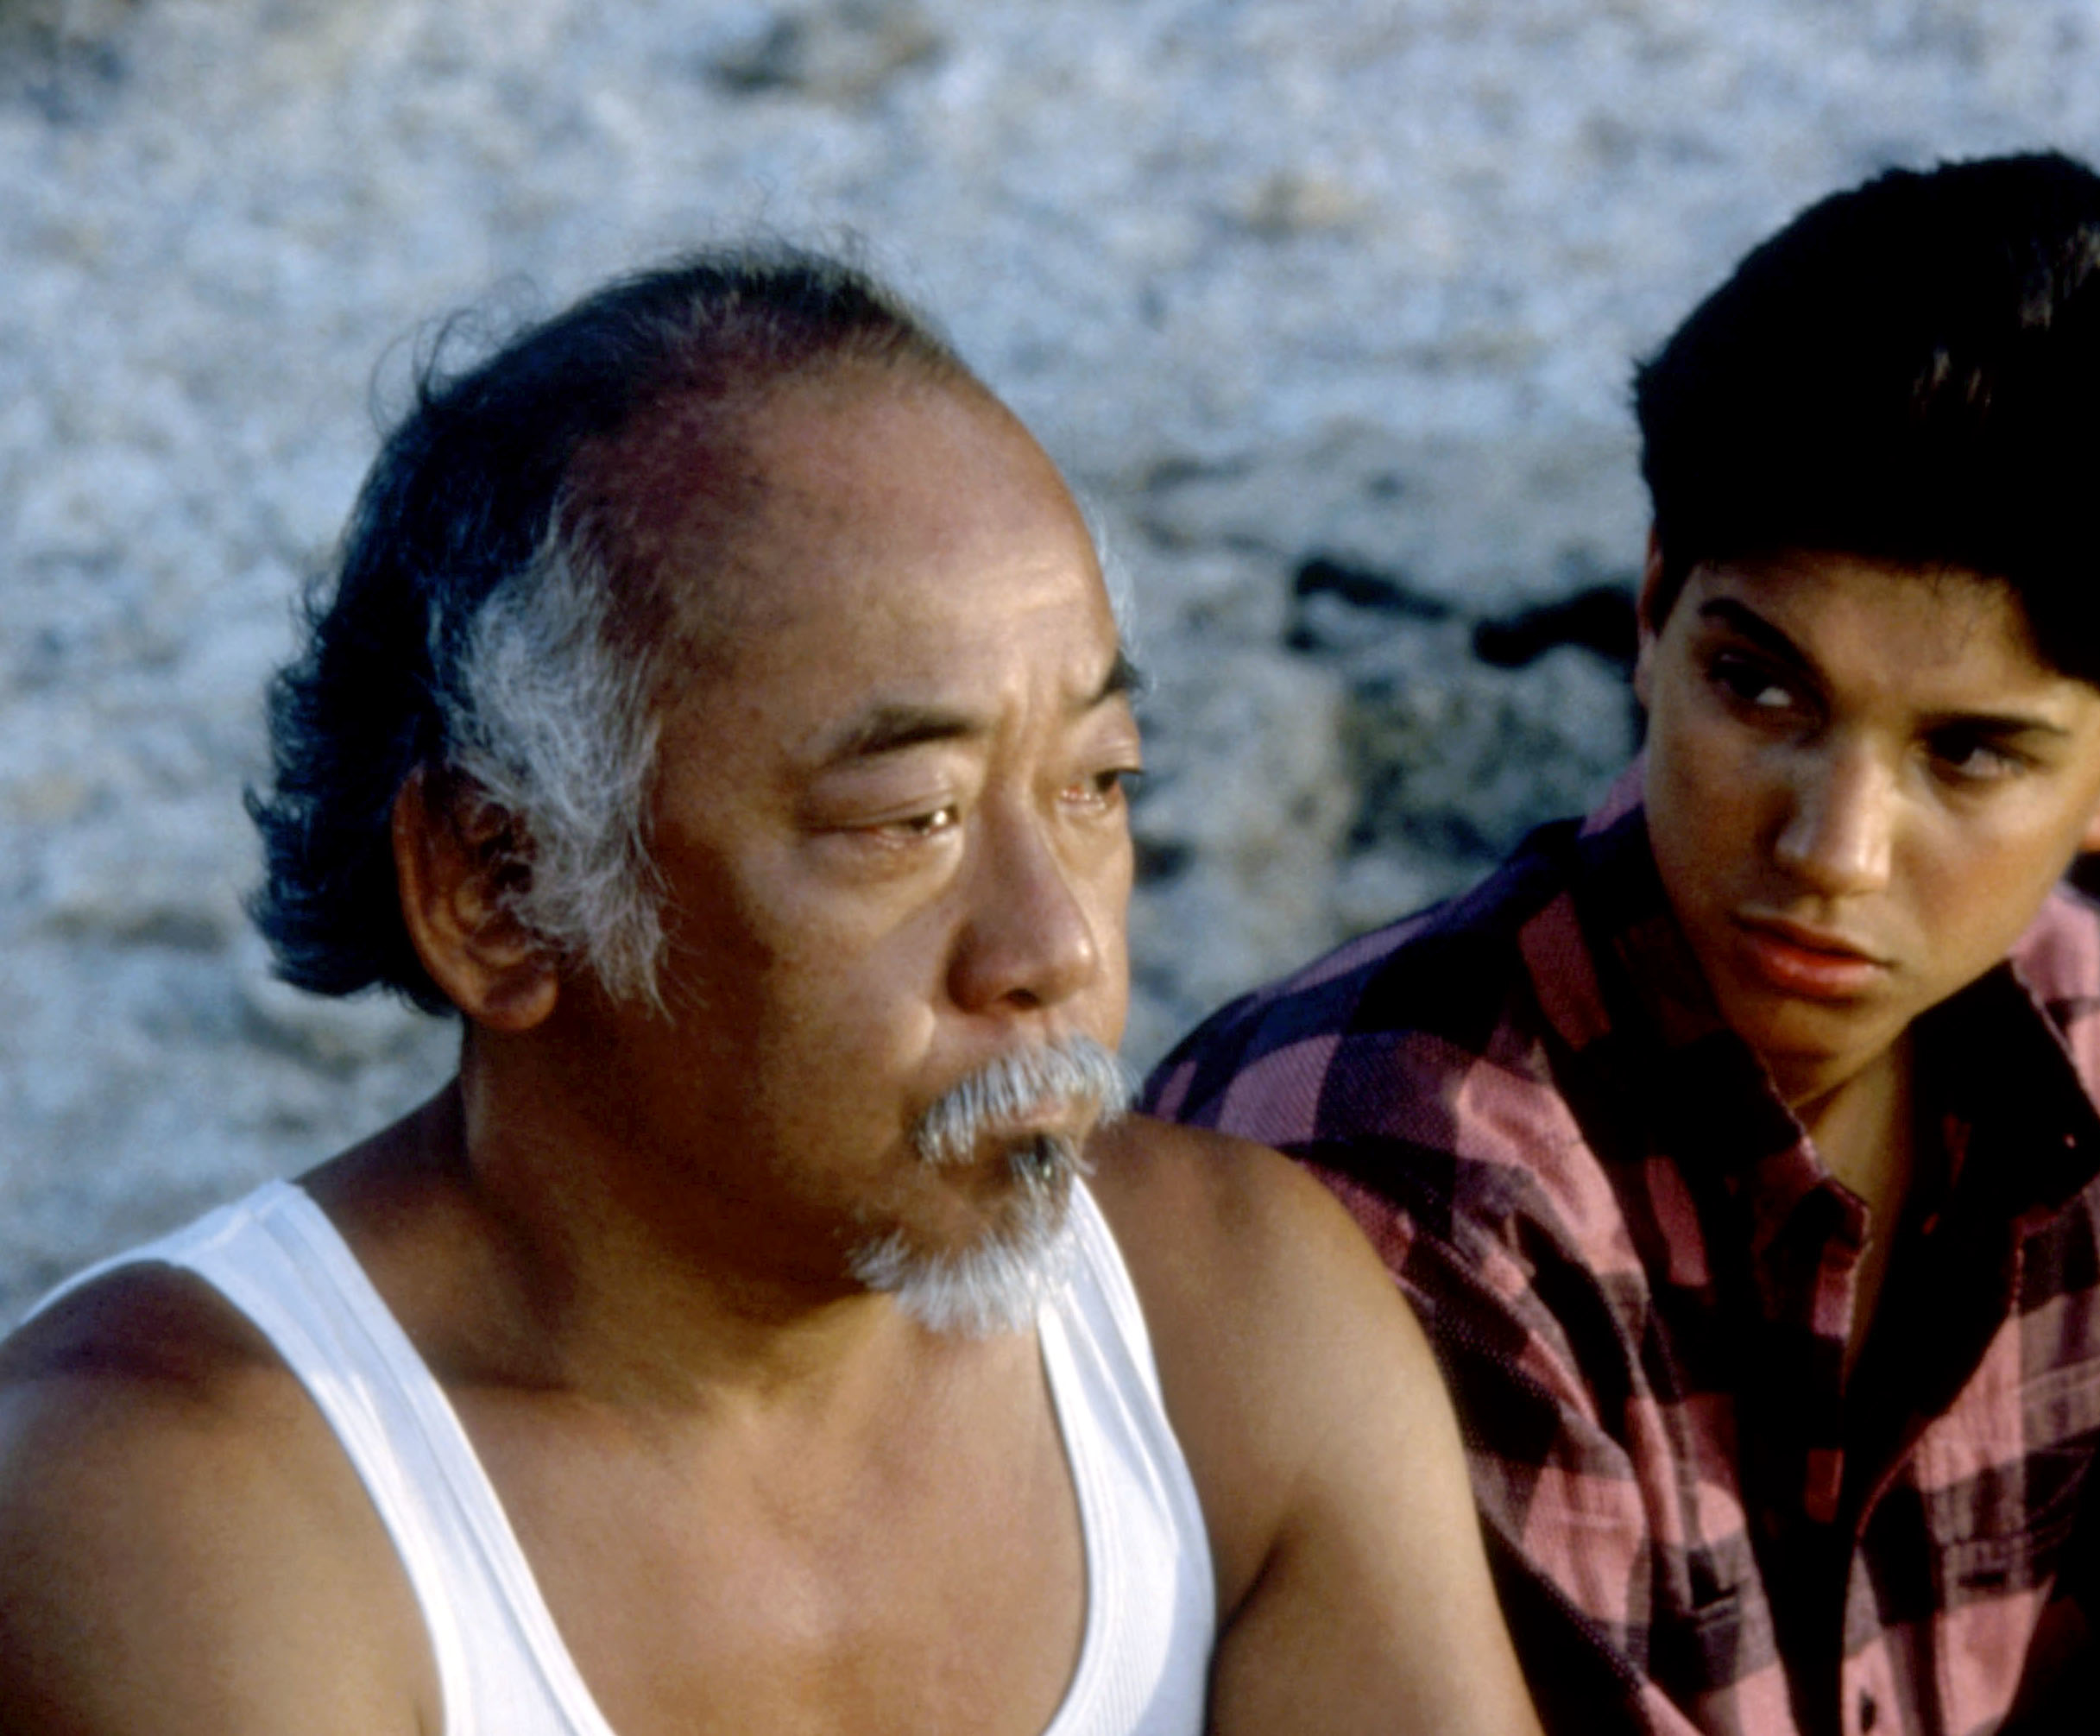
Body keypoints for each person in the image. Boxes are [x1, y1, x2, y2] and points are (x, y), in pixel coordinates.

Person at [0, 247, 1541, 1736]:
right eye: (905, 821)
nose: (1053, 946)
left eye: (1096, 787)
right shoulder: (177, 1505)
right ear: (499, 889)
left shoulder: (1233, 1327)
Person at [1144, 154, 2100, 1736]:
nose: (1832, 851)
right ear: (1652, 610)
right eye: (1761, 689)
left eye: (1968, 756)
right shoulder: (1394, 1182)